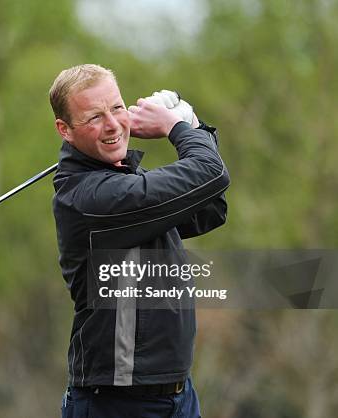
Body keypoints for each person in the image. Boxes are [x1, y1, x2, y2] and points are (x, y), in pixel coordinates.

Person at [49, 64, 230, 418]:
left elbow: (212, 207)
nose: (113, 125)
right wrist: (177, 127)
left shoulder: (125, 183)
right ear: (65, 130)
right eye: (94, 117)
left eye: (116, 108)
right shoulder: (89, 198)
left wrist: (194, 125)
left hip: (178, 396)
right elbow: (211, 173)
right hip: (117, 404)